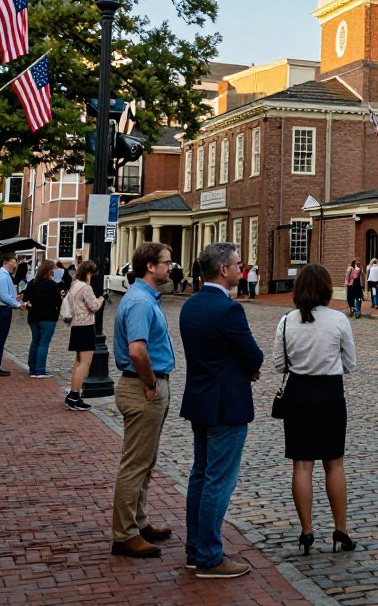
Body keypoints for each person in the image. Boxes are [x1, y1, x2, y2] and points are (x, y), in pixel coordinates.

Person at [179, 242, 264, 579]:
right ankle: (210, 556)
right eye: (237, 265)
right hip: (226, 404)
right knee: (218, 480)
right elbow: (253, 355)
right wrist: (249, 369)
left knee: (200, 476)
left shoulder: (191, 305)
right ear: (222, 270)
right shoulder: (228, 309)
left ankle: (194, 549)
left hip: (200, 399)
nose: (240, 270)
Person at [273, 263, 358, 555]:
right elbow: (350, 364)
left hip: (298, 392)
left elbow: (278, 364)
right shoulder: (338, 320)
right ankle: (340, 528)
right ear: (325, 289)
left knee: (302, 464)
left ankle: (307, 530)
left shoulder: (286, 321)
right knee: (334, 462)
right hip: (330, 393)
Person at [111, 243, 176, 559]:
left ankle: (138, 521)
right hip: (142, 388)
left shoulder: (143, 298)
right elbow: (137, 351)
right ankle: (125, 535)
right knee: (135, 464)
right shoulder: (139, 301)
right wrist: (151, 384)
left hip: (146, 387)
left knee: (144, 461)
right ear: (150, 266)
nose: (171, 266)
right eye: (167, 262)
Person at [65, 261, 105, 411]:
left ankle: (73, 394)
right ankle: (75, 395)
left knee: (78, 362)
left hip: (76, 325)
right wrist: (101, 299)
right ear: (89, 273)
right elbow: (94, 306)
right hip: (85, 326)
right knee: (85, 363)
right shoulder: (86, 288)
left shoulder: (74, 285)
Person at [23, 260, 61, 378]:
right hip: (48, 317)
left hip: (34, 316)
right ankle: (40, 370)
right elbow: (58, 302)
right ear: (49, 271)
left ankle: (32, 369)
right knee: (43, 343)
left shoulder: (31, 283)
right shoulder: (52, 284)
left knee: (35, 341)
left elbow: (25, 298)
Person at [0, 251, 29, 376]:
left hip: (5, 309)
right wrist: (18, 304)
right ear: (8, 262)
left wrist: (18, 300)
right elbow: (4, 296)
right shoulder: (2, 276)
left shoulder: (6, 275)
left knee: (1, 338)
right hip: (1, 310)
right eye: (14, 261)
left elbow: (10, 295)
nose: (16, 263)